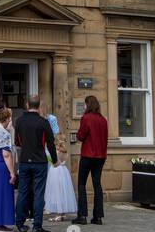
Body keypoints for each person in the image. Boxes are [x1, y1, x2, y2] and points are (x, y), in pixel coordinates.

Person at [13, 95, 57, 232]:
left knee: (23, 192)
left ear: (27, 104)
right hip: (39, 162)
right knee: (38, 193)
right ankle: (37, 227)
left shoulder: (19, 121)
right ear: (38, 106)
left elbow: (18, 142)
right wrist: (55, 159)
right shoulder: (43, 122)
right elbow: (50, 143)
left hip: (25, 160)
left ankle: (20, 224)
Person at [73, 95, 108, 225]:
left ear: (88, 105)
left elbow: (81, 136)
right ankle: (98, 217)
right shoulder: (103, 120)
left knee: (81, 184)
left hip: (88, 155)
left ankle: (82, 215)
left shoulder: (86, 118)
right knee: (97, 184)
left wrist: (78, 134)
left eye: (85, 105)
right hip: (100, 156)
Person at [44, 133, 76, 221]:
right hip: (63, 171)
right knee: (63, 191)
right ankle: (62, 214)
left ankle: (58, 214)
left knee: (56, 191)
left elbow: (52, 161)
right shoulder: (65, 151)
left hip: (55, 170)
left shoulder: (55, 151)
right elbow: (64, 160)